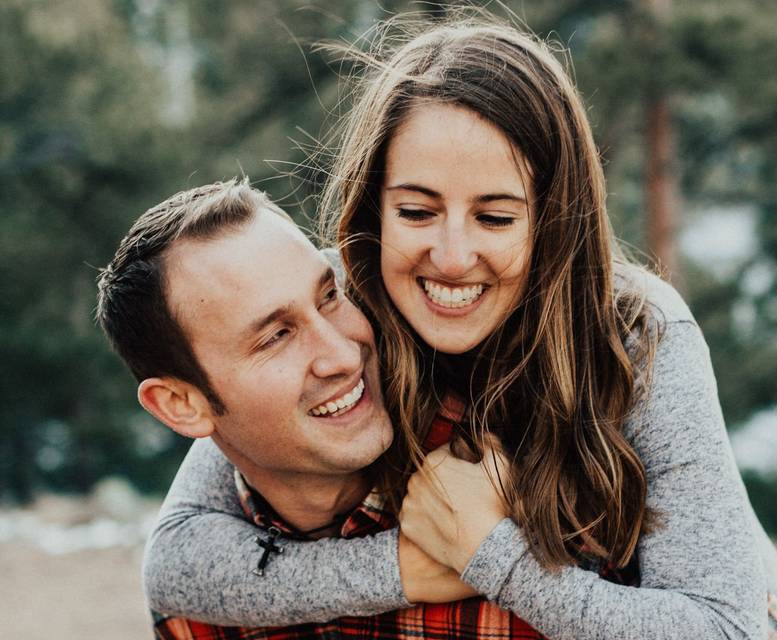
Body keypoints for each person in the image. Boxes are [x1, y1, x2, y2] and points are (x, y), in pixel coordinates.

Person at [141, 13, 777, 640]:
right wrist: (402, 568)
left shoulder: (634, 331)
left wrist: (494, 556)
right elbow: (178, 560)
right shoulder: (338, 307)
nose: (453, 257)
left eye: (495, 218)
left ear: (553, 221)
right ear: (373, 210)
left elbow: (726, 626)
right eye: (416, 212)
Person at [97, 180, 530, 637]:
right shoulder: (202, 614)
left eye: (329, 296)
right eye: (276, 336)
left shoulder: (513, 461)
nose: (344, 356)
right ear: (182, 406)